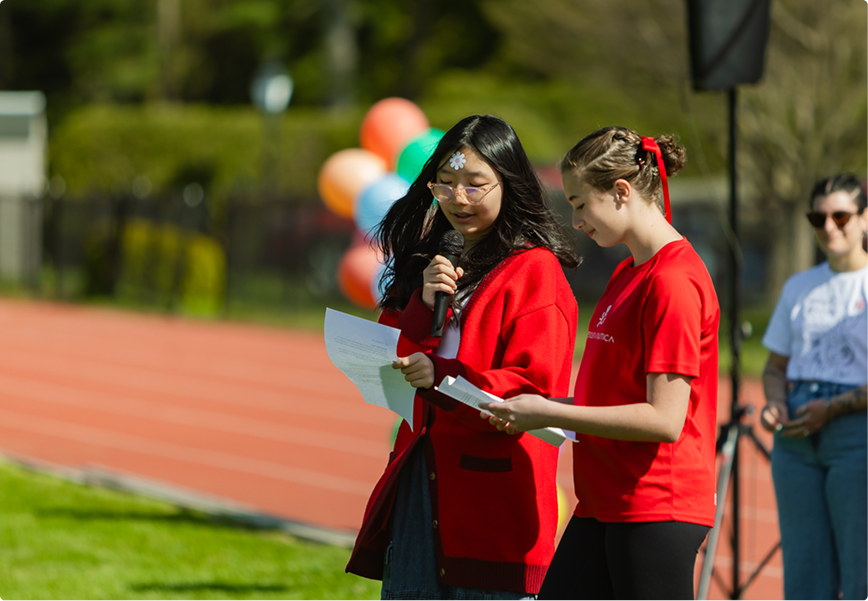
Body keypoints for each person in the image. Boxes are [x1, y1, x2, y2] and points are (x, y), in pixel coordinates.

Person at [345, 114, 581, 600]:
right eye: (445, 185)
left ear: (508, 184)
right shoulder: (433, 263)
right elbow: (394, 357)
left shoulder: (536, 272)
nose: (459, 199)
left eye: (476, 184)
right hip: (421, 488)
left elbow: (532, 388)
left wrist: (444, 376)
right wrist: (419, 304)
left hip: (494, 509)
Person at [481, 126, 720, 601]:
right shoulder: (626, 271)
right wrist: (532, 408)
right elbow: (609, 401)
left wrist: (546, 412)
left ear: (622, 192)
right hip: (605, 502)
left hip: (655, 506)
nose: (574, 220)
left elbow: (663, 419)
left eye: (580, 203)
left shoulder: (673, 280)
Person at [759, 173, 868, 601]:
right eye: (818, 217)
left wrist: (835, 407)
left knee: (861, 571)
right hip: (796, 441)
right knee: (804, 576)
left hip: (855, 434)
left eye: (841, 216)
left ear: (864, 219)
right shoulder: (798, 286)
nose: (829, 227)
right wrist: (774, 403)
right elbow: (774, 367)